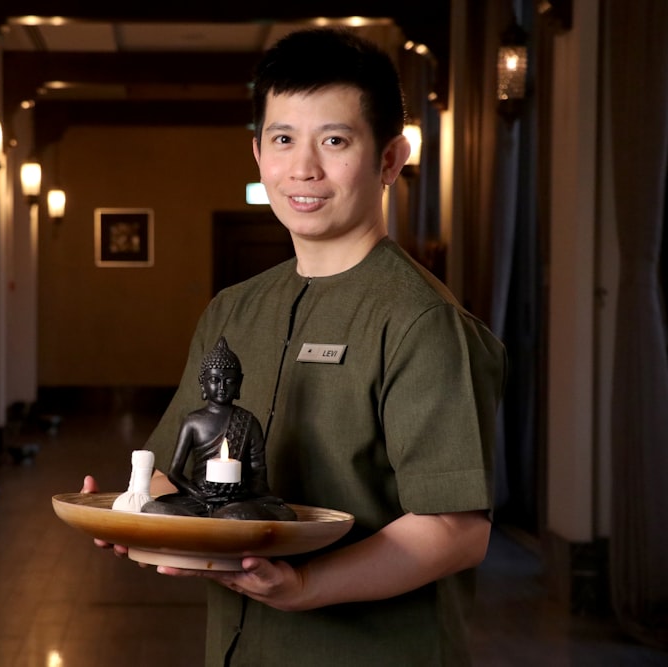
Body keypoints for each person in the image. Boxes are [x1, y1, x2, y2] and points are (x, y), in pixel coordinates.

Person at [83, 27, 506, 666]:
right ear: (257, 153)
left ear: (390, 159)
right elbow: (177, 472)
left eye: (334, 141)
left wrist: (307, 585)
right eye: (283, 140)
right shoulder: (234, 308)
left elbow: (455, 531)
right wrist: (133, 512)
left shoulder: (421, 321)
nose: (303, 168)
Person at [140, 335, 296, 521]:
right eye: (214, 380)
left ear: (239, 383)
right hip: (199, 497)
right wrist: (198, 493)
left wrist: (238, 491)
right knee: (152, 508)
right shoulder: (193, 421)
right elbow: (175, 473)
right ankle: (219, 523)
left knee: (276, 513)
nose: (221, 387)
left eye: (229, 381)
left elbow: (258, 475)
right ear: (202, 382)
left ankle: (204, 525)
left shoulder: (249, 421)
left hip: (237, 499)